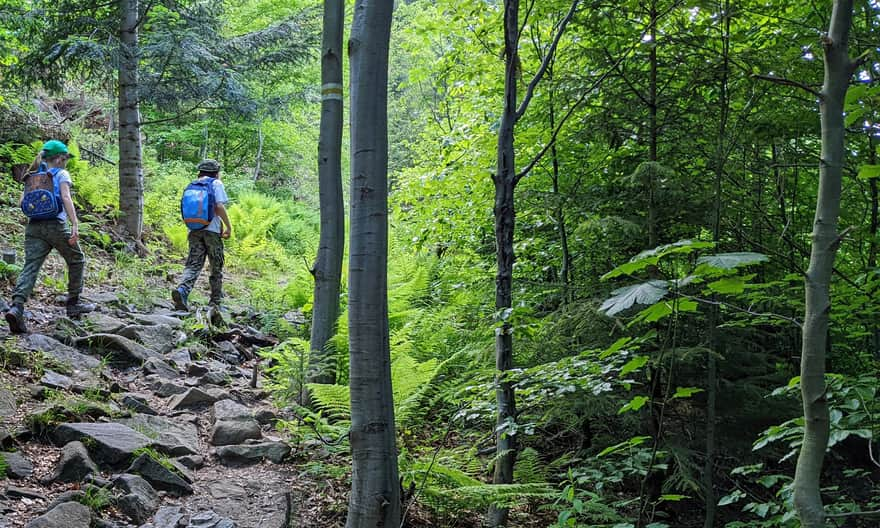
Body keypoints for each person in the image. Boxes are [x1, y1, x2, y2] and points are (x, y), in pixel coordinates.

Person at [5, 140, 95, 333]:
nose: (66, 161)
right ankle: (73, 304)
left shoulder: (32, 175)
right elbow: (66, 198)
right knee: (76, 259)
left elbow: (22, 203)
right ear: (61, 158)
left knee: (30, 266)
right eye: (66, 158)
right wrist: (75, 224)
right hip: (56, 225)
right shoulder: (61, 174)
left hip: (33, 227)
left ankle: (17, 307)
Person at [172, 159, 232, 311]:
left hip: (194, 229)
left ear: (200, 172)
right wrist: (228, 227)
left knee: (193, 264)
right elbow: (219, 206)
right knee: (216, 266)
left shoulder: (193, 184)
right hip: (212, 231)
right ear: (216, 172)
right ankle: (215, 302)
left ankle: (182, 291)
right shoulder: (216, 183)